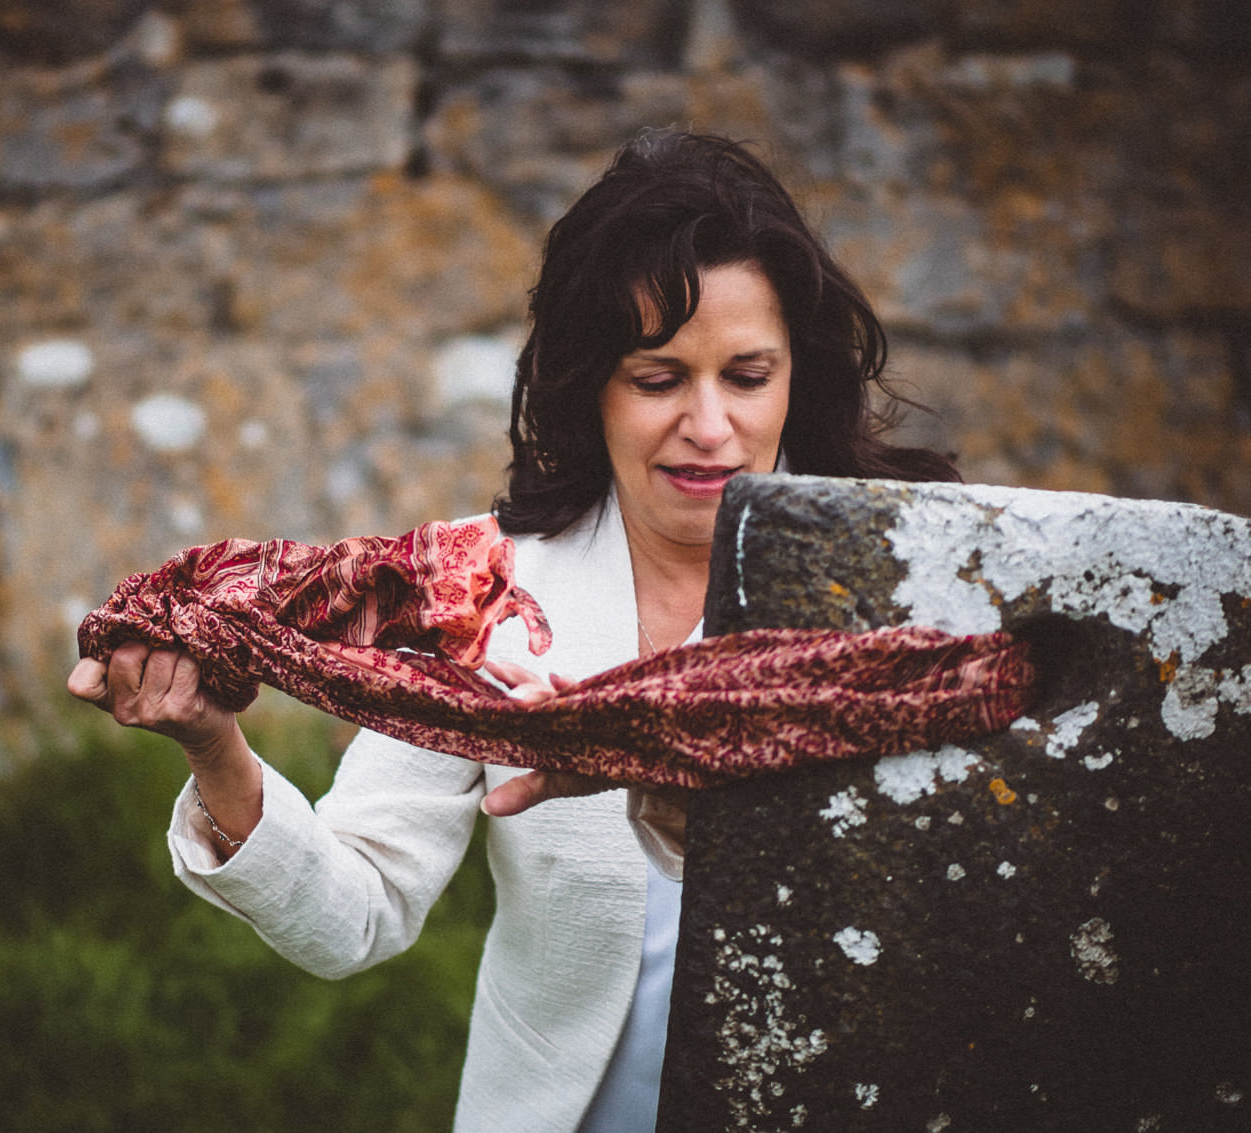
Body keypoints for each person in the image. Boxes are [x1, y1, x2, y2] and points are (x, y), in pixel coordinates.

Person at [67, 130, 958, 1132]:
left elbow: (958, 904)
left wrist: (669, 786)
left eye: (747, 376)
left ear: (796, 373)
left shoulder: (904, 582)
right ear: (591, 386)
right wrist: (214, 746)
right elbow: (353, 912)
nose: (710, 425)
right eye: (658, 377)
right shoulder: (480, 592)